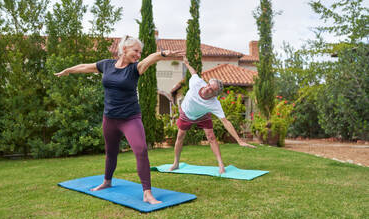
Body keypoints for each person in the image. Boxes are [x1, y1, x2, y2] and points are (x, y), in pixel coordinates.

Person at [55, 35, 182, 204]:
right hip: (110, 118)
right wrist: (68, 70)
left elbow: (150, 59)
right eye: (135, 51)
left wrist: (163, 54)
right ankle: (107, 181)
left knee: (141, 150)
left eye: (140, 52)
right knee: (111, 152)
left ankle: (147, 192)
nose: (138, 55)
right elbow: (86, 66)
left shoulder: (135, 68)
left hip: (130, 118)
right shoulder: (106, 65)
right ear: (124, 49)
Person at [169, 56, 255, 174]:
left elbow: (225, 122)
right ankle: (176, 163)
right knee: (180, 136)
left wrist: (239, 140)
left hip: (202, 115)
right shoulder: (196, 83)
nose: (207, 88)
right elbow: (193, 72)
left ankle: (221, 165)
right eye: (208, 85)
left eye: (211, 89)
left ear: (215, 95)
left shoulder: (214, 103)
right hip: (187, 113)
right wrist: (187, 63)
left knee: (211, 137)